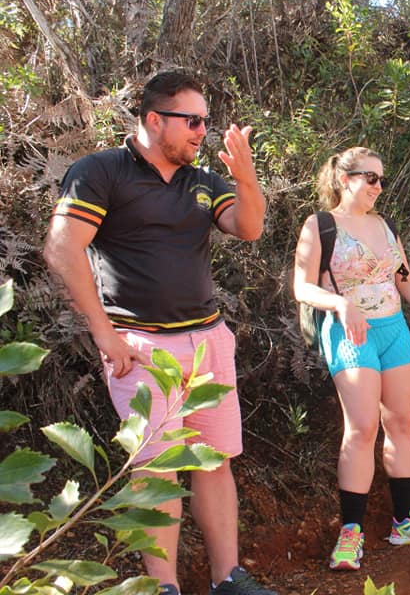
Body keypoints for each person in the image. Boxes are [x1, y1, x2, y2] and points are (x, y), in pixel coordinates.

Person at [43, 70, 273, 595]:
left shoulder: (201, 181)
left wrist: (246, 176)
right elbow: (62, 247)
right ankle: (162, 587)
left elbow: (250, 228)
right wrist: (103, 334)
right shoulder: (100, 172)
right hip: (140, 346)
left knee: (213, 462)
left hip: (208, 339)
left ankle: (228, 579)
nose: (201, 132)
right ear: (153, 119)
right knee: (157, 471)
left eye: (206, 122)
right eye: (192, 121)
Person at [293, 147, 410, 571]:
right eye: (371, 178)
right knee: (361, 428)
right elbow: (302, 288)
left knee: (400, 423)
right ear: (346, 179)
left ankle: (406, 520)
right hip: (349, 332)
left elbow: (403, 278)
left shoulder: (384, 224)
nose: (379, 187)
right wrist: (341, 305)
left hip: (393, 329)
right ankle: (351, 532)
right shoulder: (320, 225)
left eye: (382, 178)